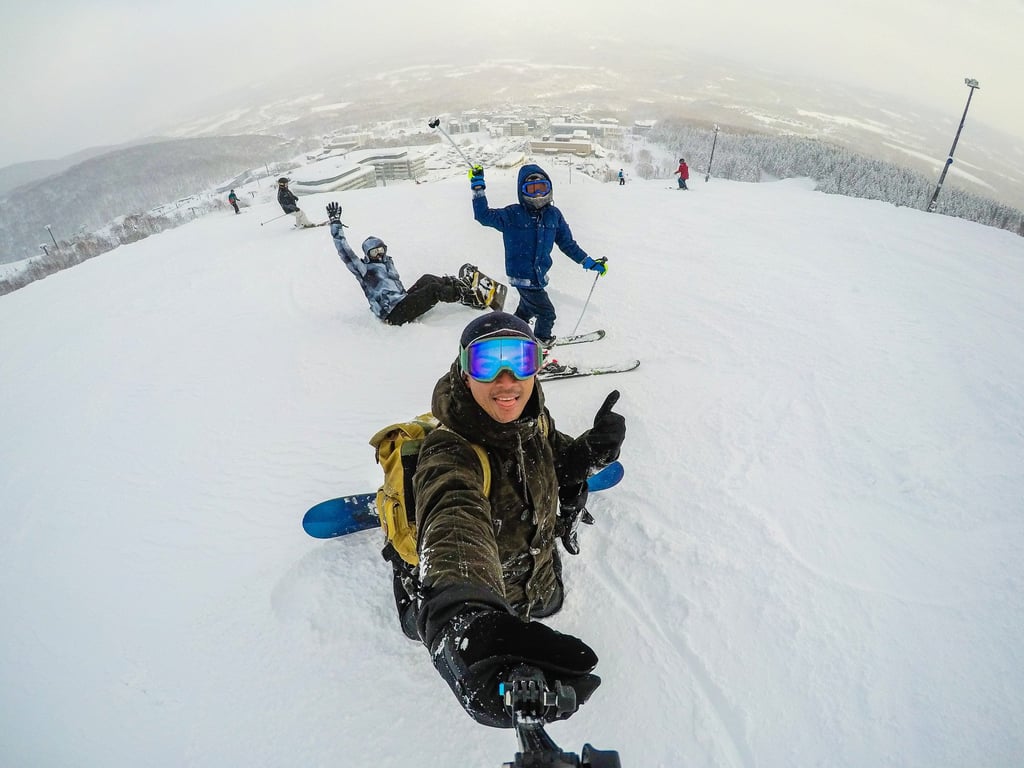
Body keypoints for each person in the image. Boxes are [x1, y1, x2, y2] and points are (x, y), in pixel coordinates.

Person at [405, 311, 627, 728]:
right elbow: (454, 524)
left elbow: (551, 456)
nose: (507, 381)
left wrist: (582, 455)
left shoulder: (534, 420)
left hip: (538, 576)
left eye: (522, 361)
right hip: (491, 590)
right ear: (464, 370)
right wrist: (466, 621)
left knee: (547, 604)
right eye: (488, 363)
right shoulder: (450, 453)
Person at [468, 163, 608, 346]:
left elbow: (567, 244)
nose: (538, 194)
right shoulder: (512, 215)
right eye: (532, 189)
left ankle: (512, 334)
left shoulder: (554, 215)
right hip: (522, 276)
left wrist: (588, 262)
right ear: (522, 191)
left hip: (539, 276)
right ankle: (540, 347)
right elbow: (483, 215)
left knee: (526, 311)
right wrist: (478, 187)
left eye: (542, 188)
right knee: (546, 313)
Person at [324, 201, 494, 325]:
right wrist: (335, 224)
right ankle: (466, 295)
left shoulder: (387, 262)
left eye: (381, 250)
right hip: (392, 314)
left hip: (401, 300)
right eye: (374, 252)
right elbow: (345, 251)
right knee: (433, 290)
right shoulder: (364, 270)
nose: (379, 254)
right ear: (367, 254)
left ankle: (458, 284)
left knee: (427, 279)